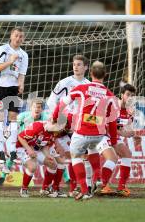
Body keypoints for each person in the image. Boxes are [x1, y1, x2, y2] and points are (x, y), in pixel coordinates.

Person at [52, 61, 120, 200]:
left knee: (76, 157)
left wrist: (54, 118)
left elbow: (62, 103)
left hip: (81, 132)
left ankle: (84, 189)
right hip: (99, 135)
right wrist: (112, 140)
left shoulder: (82, 88)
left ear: (90, 74)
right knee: (110, 157)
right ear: (105, 75)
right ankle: (101, 179)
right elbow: (112, 121)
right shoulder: (109, 95)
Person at [46, 54, 95, 197]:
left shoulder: (88, 85)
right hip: (62, 124)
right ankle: (50, 187)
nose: (76, 67)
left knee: (80, 155)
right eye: (74, 64)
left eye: (79, 64)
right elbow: (51, 101)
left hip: (79, 125)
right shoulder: (65, 82)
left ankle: (79, 188)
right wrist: (57, 119)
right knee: (59, 157)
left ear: (86, 67)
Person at [0, 27, 28, 173]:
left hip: (13, 87)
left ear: (23, 39)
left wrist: (21, 85)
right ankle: (1, 152)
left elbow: (21, 73)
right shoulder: (3, 49)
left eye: (21, 36)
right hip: (0, 87)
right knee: (0, 118)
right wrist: (9, 61)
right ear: (11, 36)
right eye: (16, 35)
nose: (18, 38)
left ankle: (12, 149)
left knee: (13, 118)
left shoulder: (24, 55)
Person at [96, 84, 141, 197]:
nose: (130, 97)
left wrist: (134, 135)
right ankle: (103, 185)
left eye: (132, 95)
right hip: (101, 135)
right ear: (122, 95)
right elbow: (106, 126)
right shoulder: (112, 106)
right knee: (113, 158)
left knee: (127, 154)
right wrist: (124, 133)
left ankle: (121, 187)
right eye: (127, 94)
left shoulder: (131, 112)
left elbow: (127, 129)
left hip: (115, 137)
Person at [0, 98, 50, 185]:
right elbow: (11, 129)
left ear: (42, 109)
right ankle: (3, 176)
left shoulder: (46, 118)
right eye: (35, 107)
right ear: (31, 108)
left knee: (53, 158)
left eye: (39, 107)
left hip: (37, 142)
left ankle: (63, 181)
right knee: (12, 156)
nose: (37, 109)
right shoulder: (23, 116)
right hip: (21, 141)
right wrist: (8, 142)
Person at [16, 121, 64, 198]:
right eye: (58, 129)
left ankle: (45, 189)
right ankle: (24, 189)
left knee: (53, 164)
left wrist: (48, 155)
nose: (58, 132)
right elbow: (20, 137)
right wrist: (29, 149)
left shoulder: (52, 133)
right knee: (32, 166)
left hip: (36, 149)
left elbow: (44, 146)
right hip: (23, 147)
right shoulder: (37, 126)